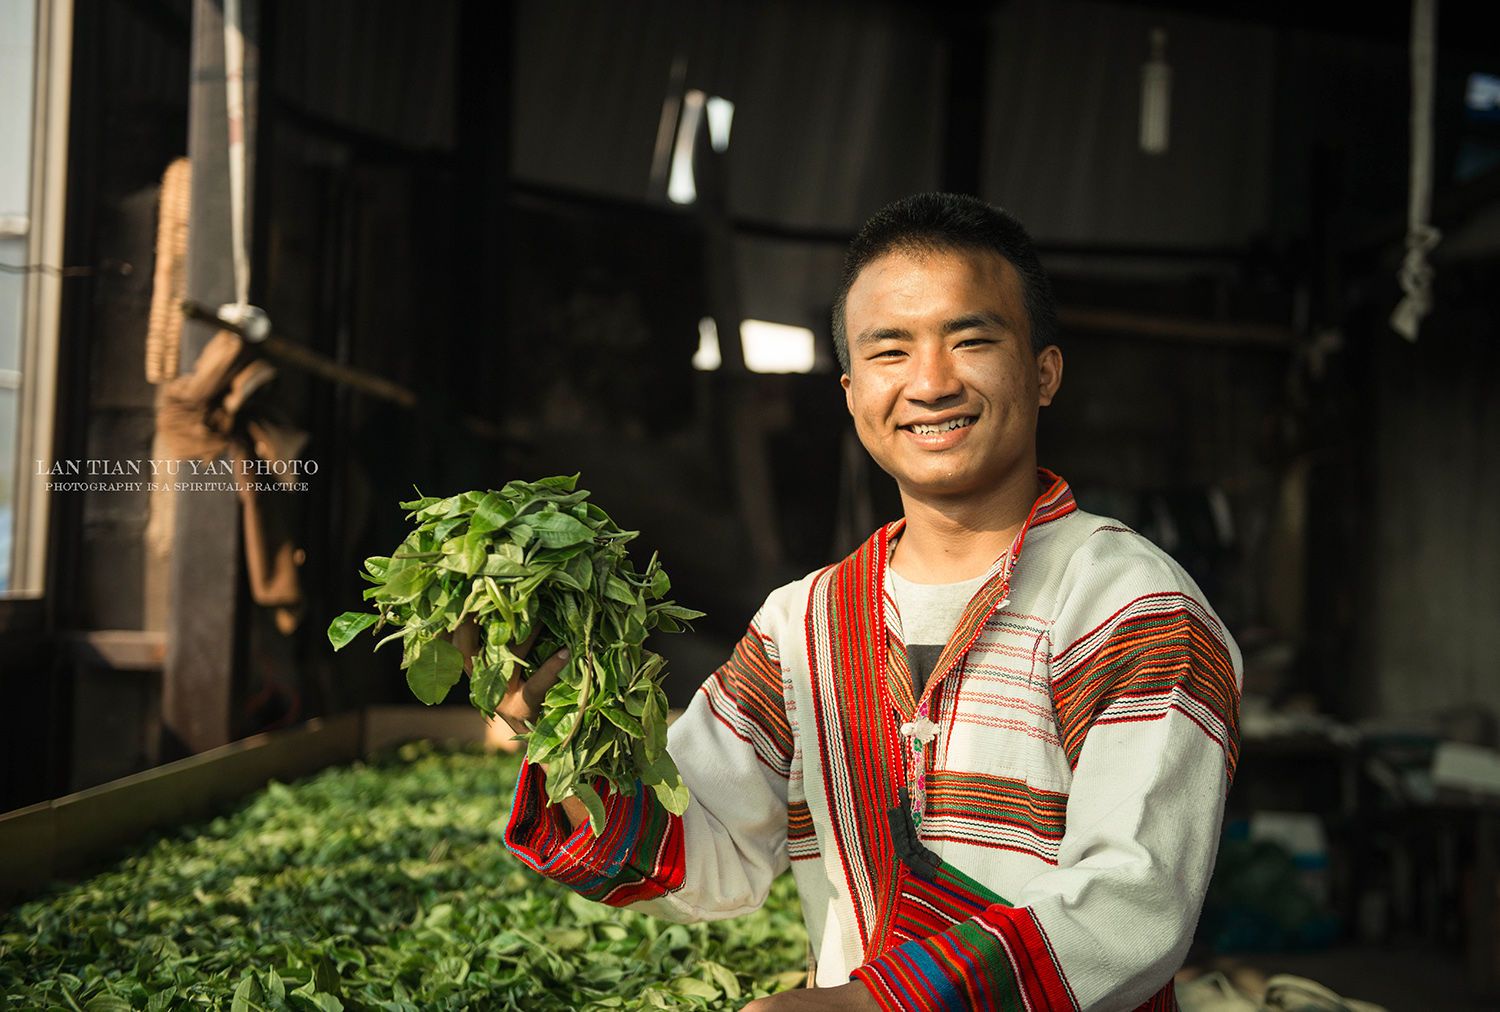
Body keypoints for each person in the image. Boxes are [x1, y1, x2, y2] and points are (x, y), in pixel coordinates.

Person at [486, 193, 1242, 1011]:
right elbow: (704, 856)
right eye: (891, 351)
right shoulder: (801, 625)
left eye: (971, 339)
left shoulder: (1130, 604)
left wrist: (871, 1004)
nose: (930, 382)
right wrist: (563, 724)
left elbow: (1135, 903)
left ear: (1043, 372)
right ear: (851, 395)